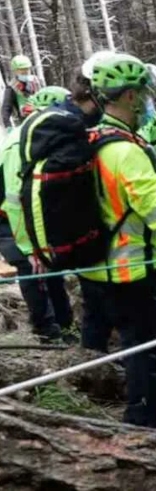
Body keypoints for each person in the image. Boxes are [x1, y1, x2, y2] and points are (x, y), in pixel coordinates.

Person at [78, 51, 156, 430]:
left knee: (126, 347)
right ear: (131, 96)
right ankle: (151, 425)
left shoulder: (90, 139)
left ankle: (126, 409)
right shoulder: (127, 151)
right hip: (133, 271)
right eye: (145, 95)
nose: (148, 103)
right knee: (151, 354)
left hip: (95, 268)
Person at [0, 86, 75, 342]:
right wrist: (30, 247)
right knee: (30, 267)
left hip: (25, 214)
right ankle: (45, 329)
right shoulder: (20, 142)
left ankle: (65, 324)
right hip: (8, 218)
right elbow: (15, 200)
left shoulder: (42, 137)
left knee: (50, 264)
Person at [1, 55, 41, 128]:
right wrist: (8, 127)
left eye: (27, 69)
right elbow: (6, 109)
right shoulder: (11, 87)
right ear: (15, 71)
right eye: (22, 70)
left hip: (40, 117)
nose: (25, 71)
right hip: (25, 123)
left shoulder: (35, 81)